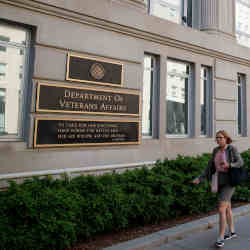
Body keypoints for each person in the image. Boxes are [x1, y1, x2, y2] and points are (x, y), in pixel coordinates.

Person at [192, 130, 244, 248]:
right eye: (217, 138)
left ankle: (220, 238)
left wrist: (229, 165)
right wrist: (200, 178)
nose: (218, 140)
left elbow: (240, 162)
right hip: (218, 181)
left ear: (226, 138)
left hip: (229, 181)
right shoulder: (215, 150)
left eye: (220, 137)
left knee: (221, 209)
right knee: (227, 207)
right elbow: (209, 167)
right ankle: (232, 232)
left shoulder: (232, 149)